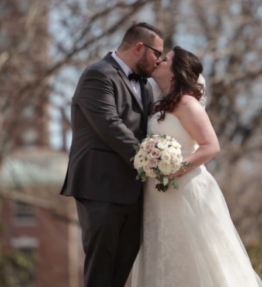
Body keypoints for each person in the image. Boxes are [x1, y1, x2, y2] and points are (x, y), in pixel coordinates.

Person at [131, 46, 262, 287]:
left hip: (186, 190)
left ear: (176, 71)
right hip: (158, 194)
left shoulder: (187, 103)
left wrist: (173, 170)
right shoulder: (159, 105)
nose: (159, 60)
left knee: (196, 256)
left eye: (166, 59)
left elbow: (210, 146)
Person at [60, 22, 164, 287]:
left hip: (134, 191)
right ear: (139, 47)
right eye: (157, 53)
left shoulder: (147, 86)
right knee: (101, 272)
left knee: (120, 273)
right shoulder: (98, 74)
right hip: (100, 188)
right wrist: (151, 162)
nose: (159, 60)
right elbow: (110, 125)